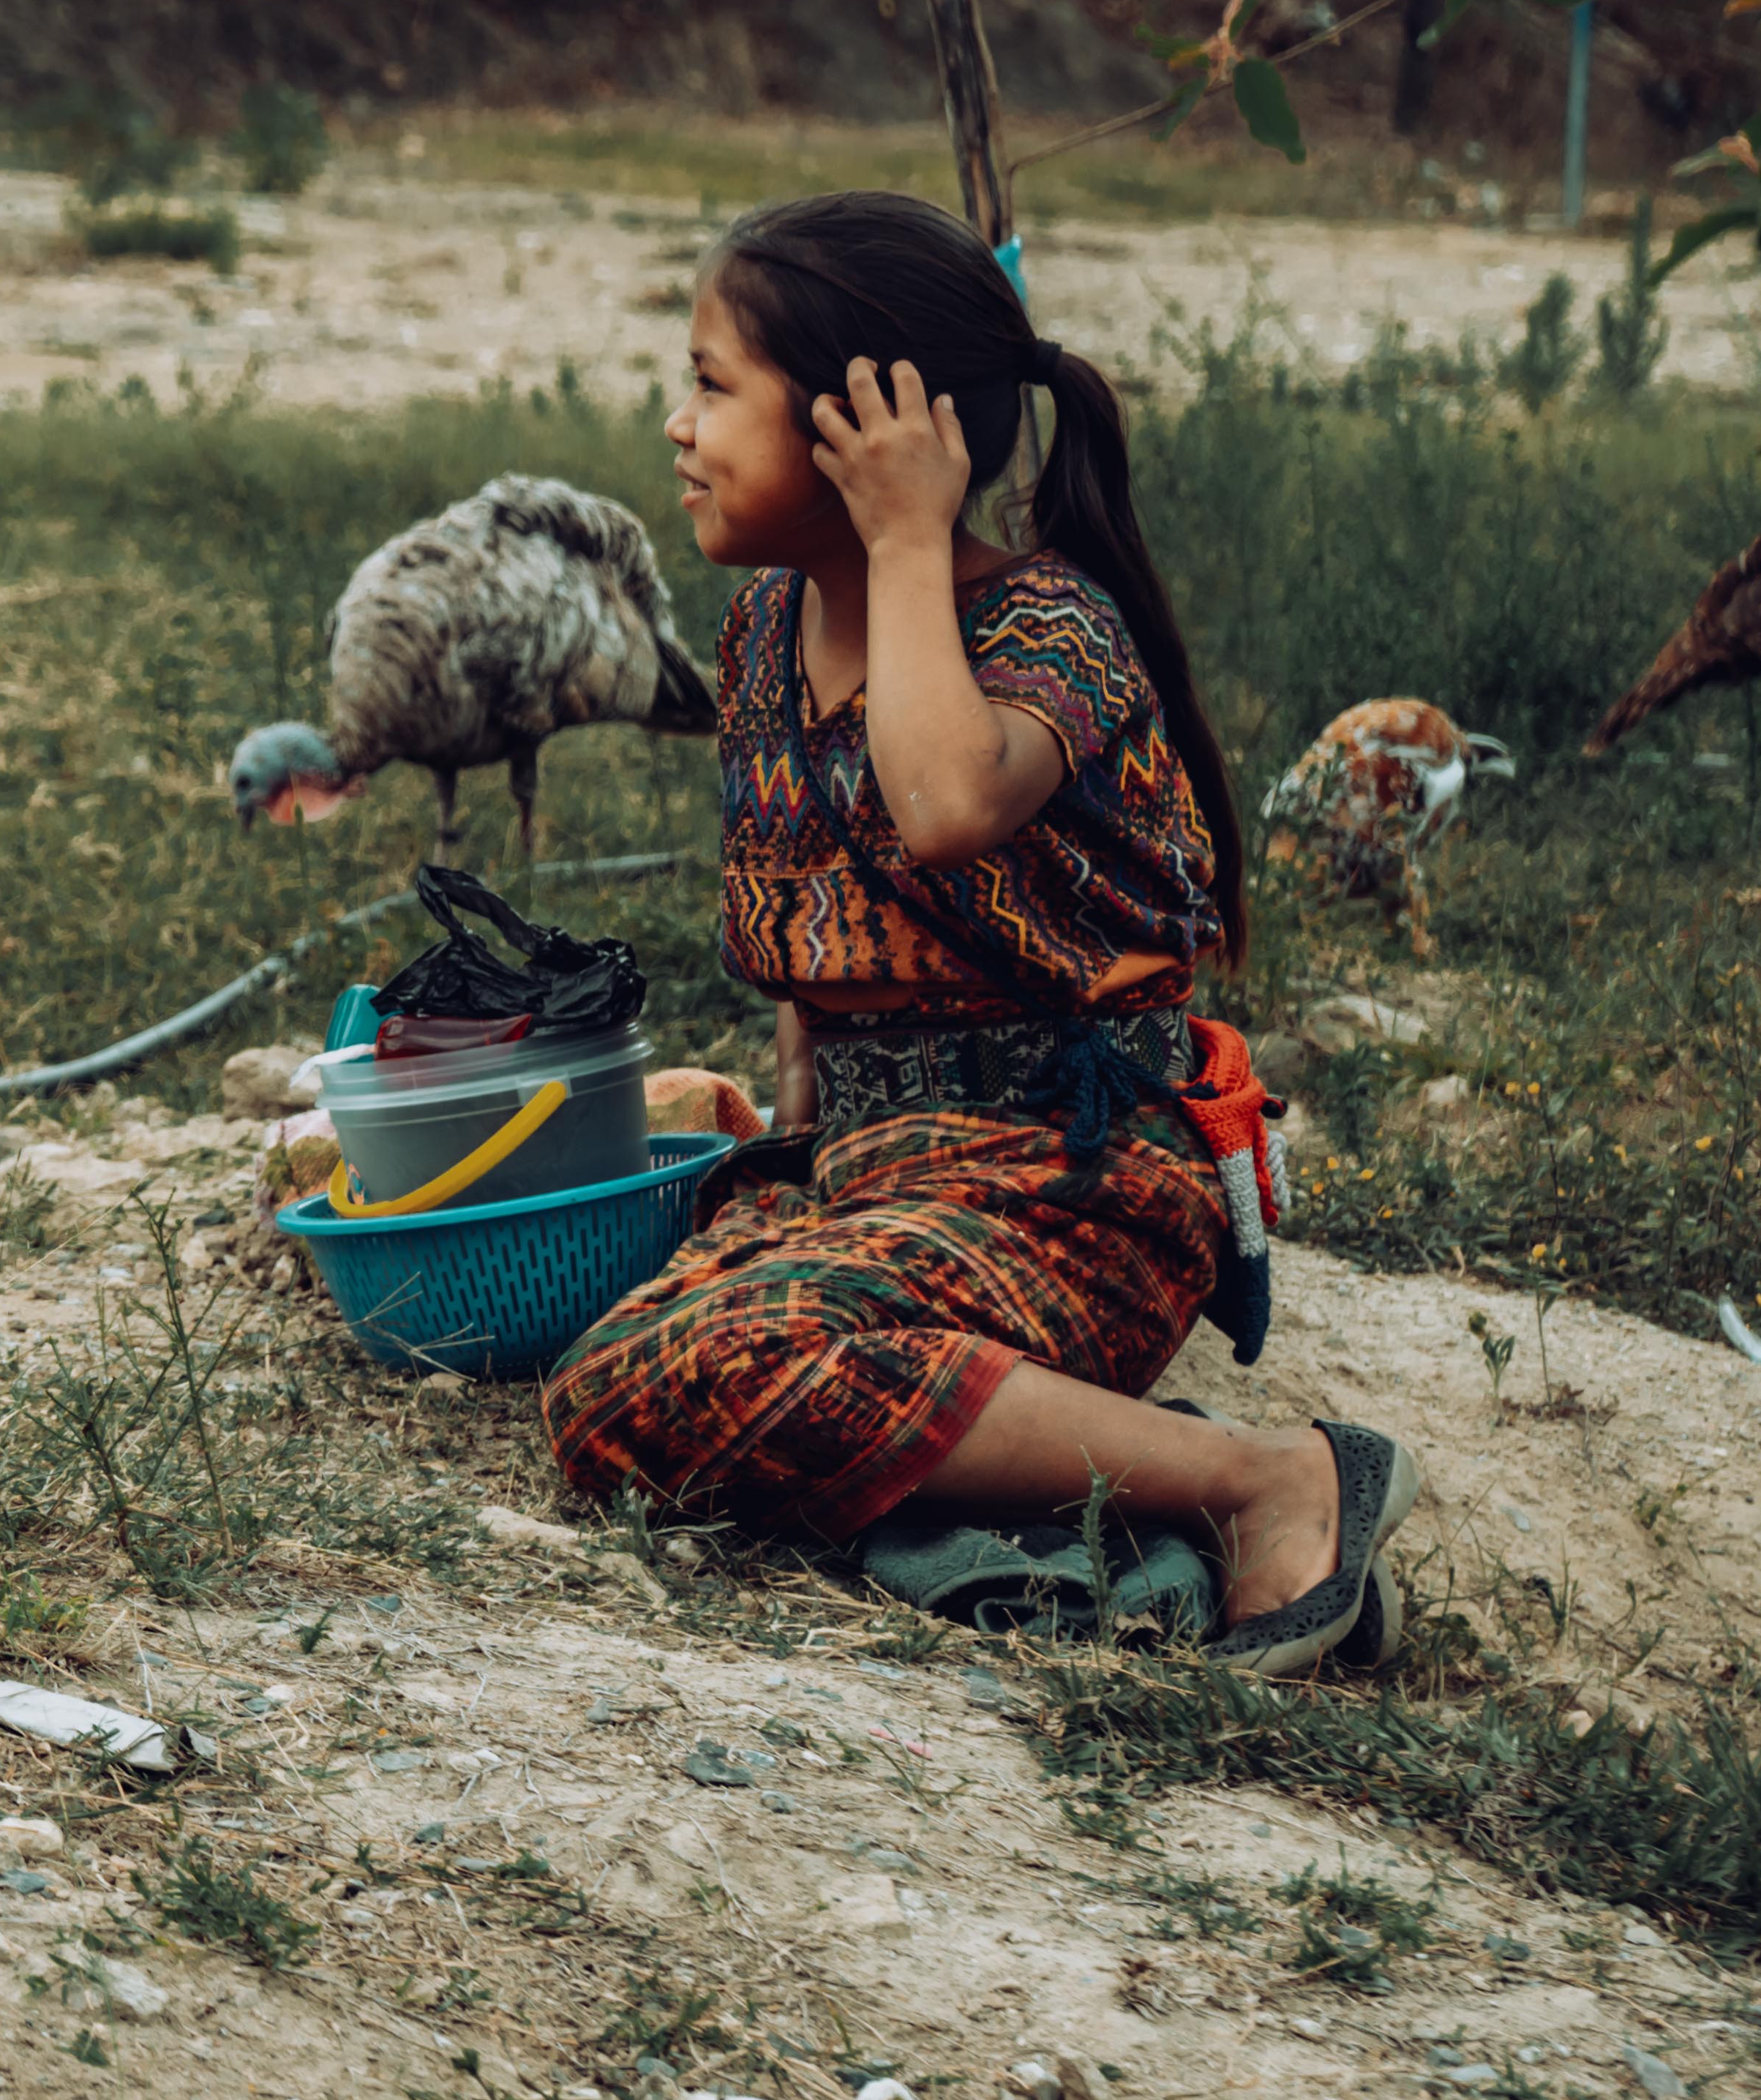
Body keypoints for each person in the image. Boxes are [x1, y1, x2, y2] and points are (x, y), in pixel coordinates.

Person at [540, 192, 1413, 1670]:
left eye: (710, 384)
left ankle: (1271, 1477)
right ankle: (1040, 1458)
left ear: (863, 426)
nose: (678, 426)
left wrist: (907, 538)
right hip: (883, 1185)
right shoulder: (762, 633)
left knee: (724, 1364)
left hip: (1077, 1191)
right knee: (605, 1390)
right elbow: (825, 882)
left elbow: (942, 803)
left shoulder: (1050, 630)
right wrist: (804, 1093)